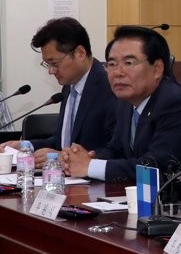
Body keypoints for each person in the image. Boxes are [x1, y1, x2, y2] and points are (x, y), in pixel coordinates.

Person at [62, 25, 181, 182]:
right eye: (112, 64)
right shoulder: (126, 102)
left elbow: (156, 167)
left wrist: (90, 167)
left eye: (129, 63)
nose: (118, 72)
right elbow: (116, 150)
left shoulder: (174, 103)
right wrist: (87, 158)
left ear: (157, 69)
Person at [2, 17, 118, 166]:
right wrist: (26, 146)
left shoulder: (110, 86)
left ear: (80, 53)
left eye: (54, 63)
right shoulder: (70, 85)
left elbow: (116, 150)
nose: (51, 71)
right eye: (47, 64)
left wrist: (63, 157)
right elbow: (64, 142)